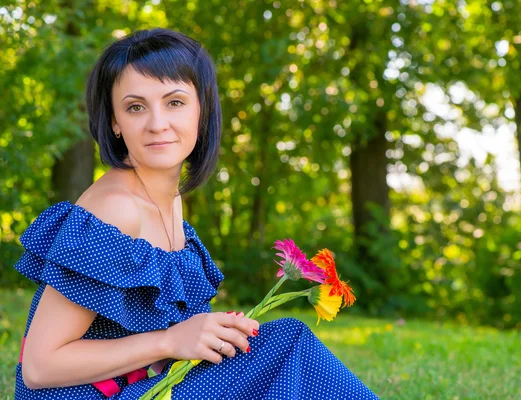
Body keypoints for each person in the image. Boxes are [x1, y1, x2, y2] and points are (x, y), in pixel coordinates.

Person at [12, 28, 379, 399]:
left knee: (268, 349)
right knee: (287, 342)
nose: (158, 124)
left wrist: (207, 331)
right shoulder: (114, 209)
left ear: (201, 109)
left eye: (174, 102)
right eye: (135, 107)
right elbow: (40, 368)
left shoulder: (168, 199)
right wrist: (170, 341)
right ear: (114, 122)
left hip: (153, 386)